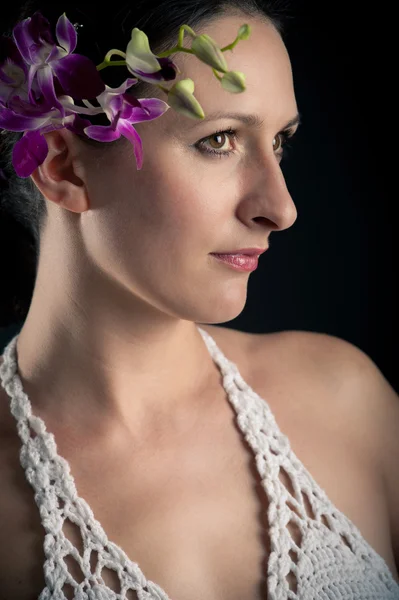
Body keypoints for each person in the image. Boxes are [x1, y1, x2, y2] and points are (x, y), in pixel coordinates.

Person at [0, 1, 398, 599]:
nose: (281, 208)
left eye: (281, 140)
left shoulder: (349, 402)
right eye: (220, 140)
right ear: (65, 167)